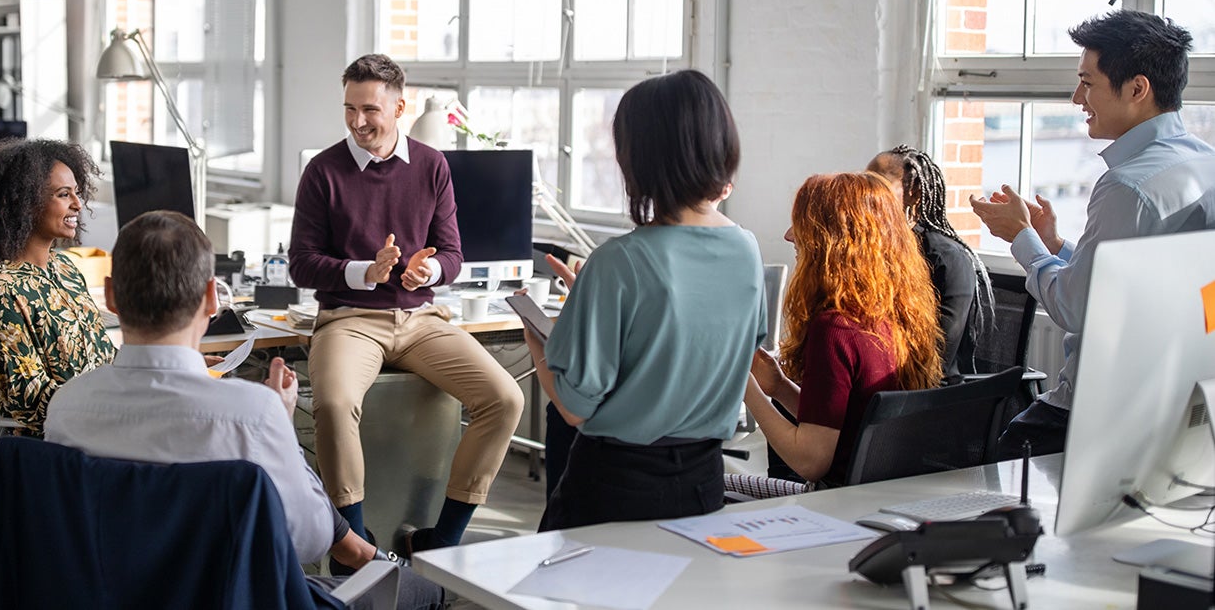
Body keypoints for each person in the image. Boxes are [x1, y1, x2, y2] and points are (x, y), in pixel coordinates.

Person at [44, 211, 444, 610]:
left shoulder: (66, 406)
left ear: (111, 296)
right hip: (232, 597)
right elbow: (310, 539)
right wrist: (282, 429)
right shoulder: (253, 414)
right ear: (210, 299)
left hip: (110, 597)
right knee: (428, 593)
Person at [288, 54, 524, 556]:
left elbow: (454, 254)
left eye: (369, 109)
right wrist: (364, 272)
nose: (357, 121)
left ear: (400, 105)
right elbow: (302, 265)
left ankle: (442, 541)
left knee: (505, 399)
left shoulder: (432, 165)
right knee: (332, 404)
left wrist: (428, 271)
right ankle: (355, 545)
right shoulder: (322, 171)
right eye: (349, 108)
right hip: (349, 320)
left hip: (421, 320)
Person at [524, 70, 767, 530]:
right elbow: (696, 339)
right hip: (703, 482)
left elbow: (576, 407)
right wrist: (595, 306)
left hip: (615, 487)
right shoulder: (747, 250)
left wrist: (539, 341)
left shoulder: (619, 262)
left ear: (640, 159)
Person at [971, 10, 1215, 455]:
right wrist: (1055, 247)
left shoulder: (1129, 186)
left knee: (994, 468)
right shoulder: (1203, 162)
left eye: (1088, 82)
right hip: (1178, 408)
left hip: (1100, 414)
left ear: (1137, 89)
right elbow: (1130, 284)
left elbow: (1077, 307)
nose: (1076, 98)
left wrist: (1021, 238)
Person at [731, 173, 943, 497]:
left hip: (835, 503)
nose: (789, 236)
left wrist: (747, 390)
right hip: (887, 496)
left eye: (801, 225)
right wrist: (779, 387)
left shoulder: (834, 330)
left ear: (830, 239)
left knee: (722, 483)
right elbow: (849, 420)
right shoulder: (897, 316)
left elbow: (810, 460)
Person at [0, 138, 117, 436]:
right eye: (63, 194)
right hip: (58, 445)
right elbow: (32, 403)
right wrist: (122, 406)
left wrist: (172, 369)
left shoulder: (64, 268)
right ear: (24, 203)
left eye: (77, 193)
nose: (77, 205)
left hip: (105, 425)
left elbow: (105, 359)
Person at [867, 145, 992, 377]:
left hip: (929, 395)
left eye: (878, 185)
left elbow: (936, 357)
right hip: (880, 381)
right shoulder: (874, 249)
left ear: (914, 192)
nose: (867, 194)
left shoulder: (948, 259)